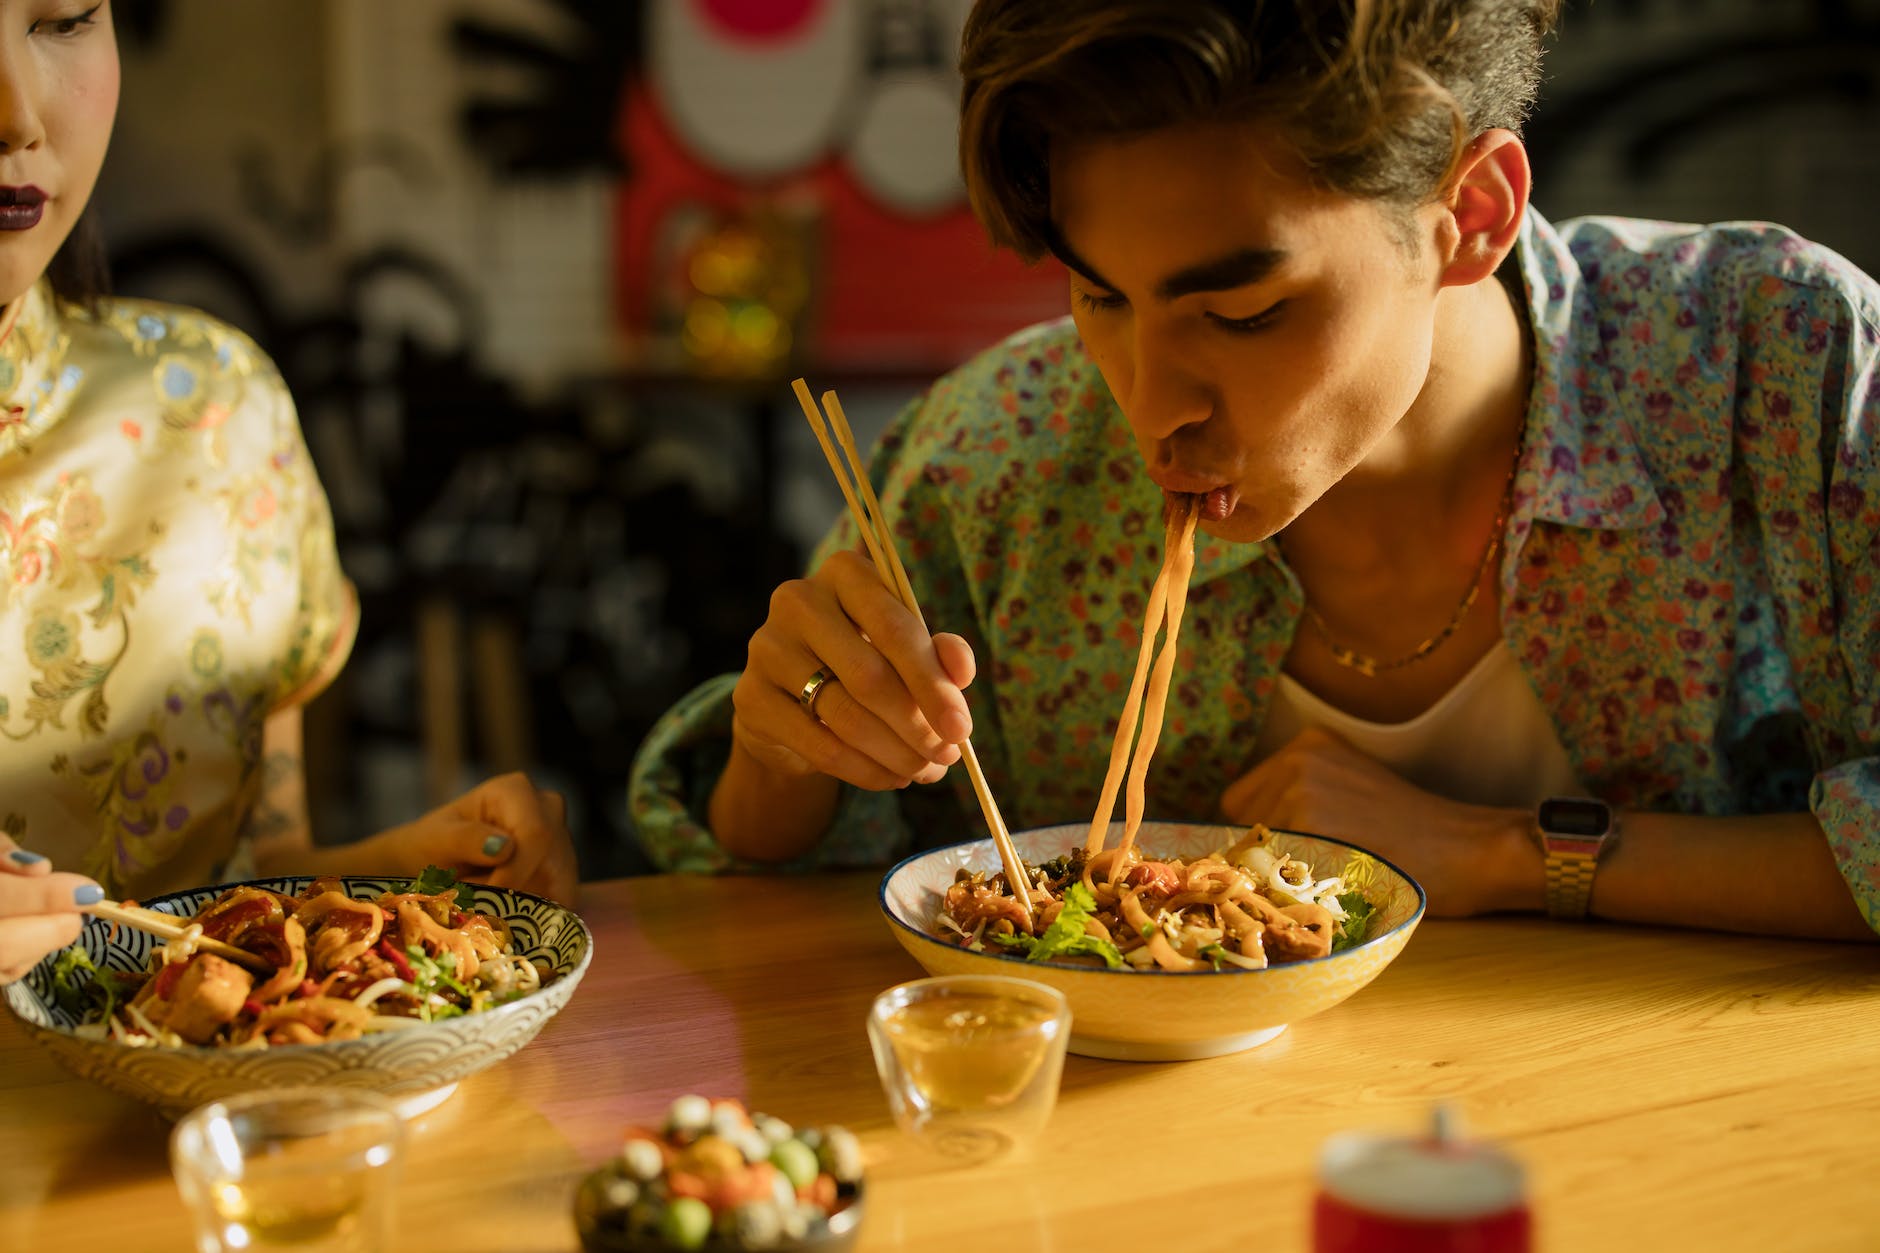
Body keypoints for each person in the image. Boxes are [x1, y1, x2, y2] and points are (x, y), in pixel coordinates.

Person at [629, 0, 1878, 942]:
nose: (1149, 408)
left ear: (1472, 213)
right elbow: (781, 906)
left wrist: (1501, 853)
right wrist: (784, 751)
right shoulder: (992, 459)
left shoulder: (1771, 362)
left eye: (1241, 314)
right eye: (1097, 295)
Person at [0, 1, 576, 986]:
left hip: (212, 1132)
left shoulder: (215, 409)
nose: (16, 110)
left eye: (62, 18)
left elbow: (254, 880)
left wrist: (409, 879)